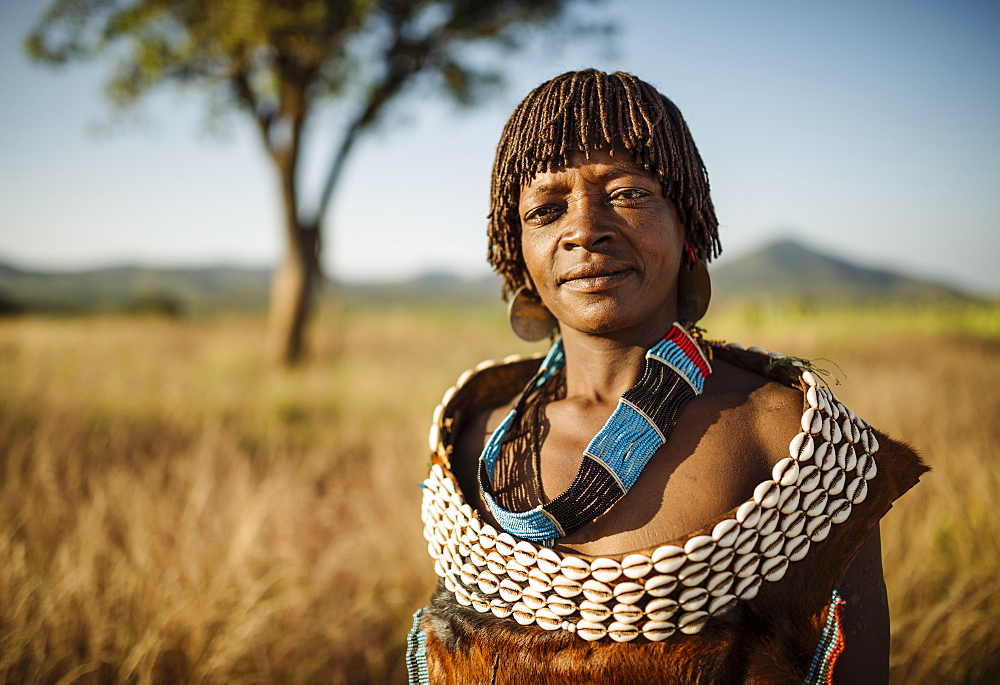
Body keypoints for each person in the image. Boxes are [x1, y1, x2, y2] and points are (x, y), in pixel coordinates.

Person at [408, 69, 926, 684]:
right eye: (547, 209)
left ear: (688, 223)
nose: (583, 229)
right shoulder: (473, 441)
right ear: (516, 247)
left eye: (627, 194)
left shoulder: (797, 445)